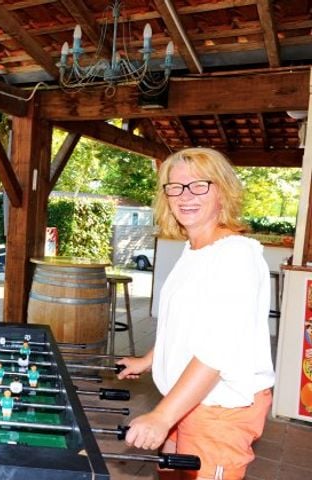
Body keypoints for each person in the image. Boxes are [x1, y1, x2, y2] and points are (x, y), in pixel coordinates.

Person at [117, 148, 275, 480]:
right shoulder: (195, 249)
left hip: (219, 409)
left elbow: (216, 351)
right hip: (185, 399)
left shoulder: (235, 256)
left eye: (199, 185)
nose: (185, 195)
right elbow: (185, 328)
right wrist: (147, 360)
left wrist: (162, 417)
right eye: (175, 186)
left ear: (223, 191)